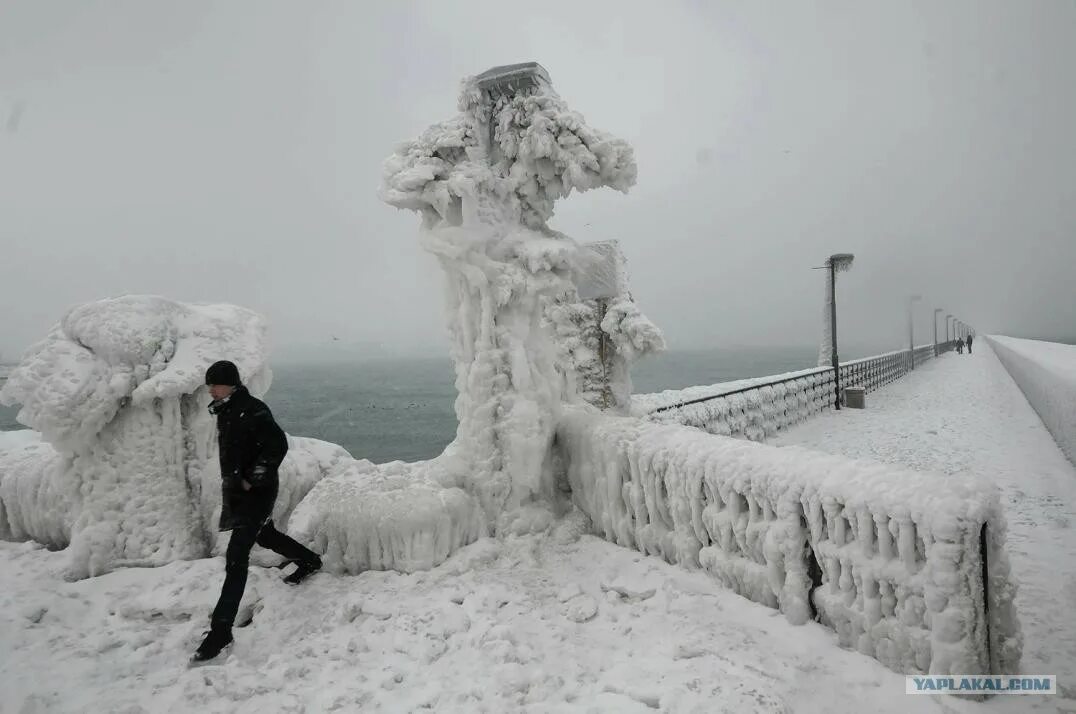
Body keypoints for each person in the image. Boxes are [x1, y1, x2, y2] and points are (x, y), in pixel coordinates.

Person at [192, 360, 323, 663]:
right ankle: (310, 560)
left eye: (216, 384)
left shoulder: (253, 409)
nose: (211, 389)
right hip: (240, 491)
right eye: (209, 384)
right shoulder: (225, 409)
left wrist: (256, 476)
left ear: (232, 384)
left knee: (236, 557)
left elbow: (277, 445)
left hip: (257, 492)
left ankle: (221, 631)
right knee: (264, 535)